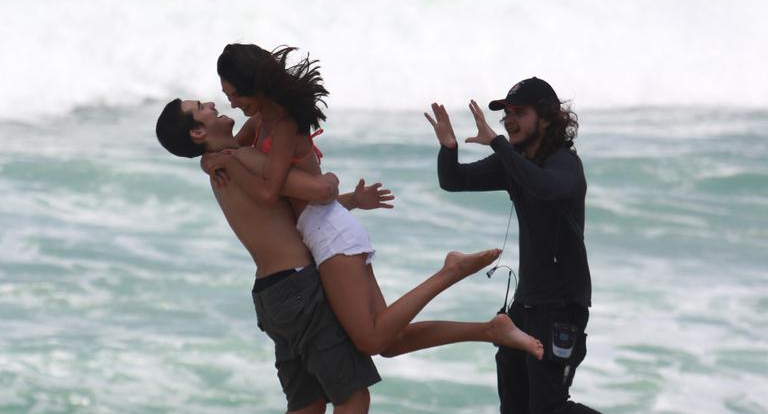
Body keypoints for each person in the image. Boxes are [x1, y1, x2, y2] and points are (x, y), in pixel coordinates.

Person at [155, 98, 542, 414]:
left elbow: (283, 212)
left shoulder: (220, 162)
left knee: (307, 405)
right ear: (198, 132)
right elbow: (314, 191)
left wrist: (350, 200)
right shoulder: (233, 160)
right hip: (296, 287)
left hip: (271, 295)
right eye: (201, 107)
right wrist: (328, 181)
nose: (213, 101)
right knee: (354, 393)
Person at [204, 43, 544, 360]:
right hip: (329, 226)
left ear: (253, 85)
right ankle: (491, 330)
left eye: (232, 94)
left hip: (328, 235)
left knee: (371, 340)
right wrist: (209, 160)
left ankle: (450, 271)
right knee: (390, 342)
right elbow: (228, 149)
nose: (231, 103)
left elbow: (267, 189)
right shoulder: (259, 122)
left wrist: (228, 161)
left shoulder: (282, 124)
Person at [426, 77, 655, 414]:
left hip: (562, 305)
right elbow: (454, 181)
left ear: (546, 119)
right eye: (507, 114)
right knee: (514, 407)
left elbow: (544, 187)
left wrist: (500, 145)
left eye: (520, 113)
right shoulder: (514, 161)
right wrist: (448, 147)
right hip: (526, 303)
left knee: (549, 408)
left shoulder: (565, 164)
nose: (510, 120)